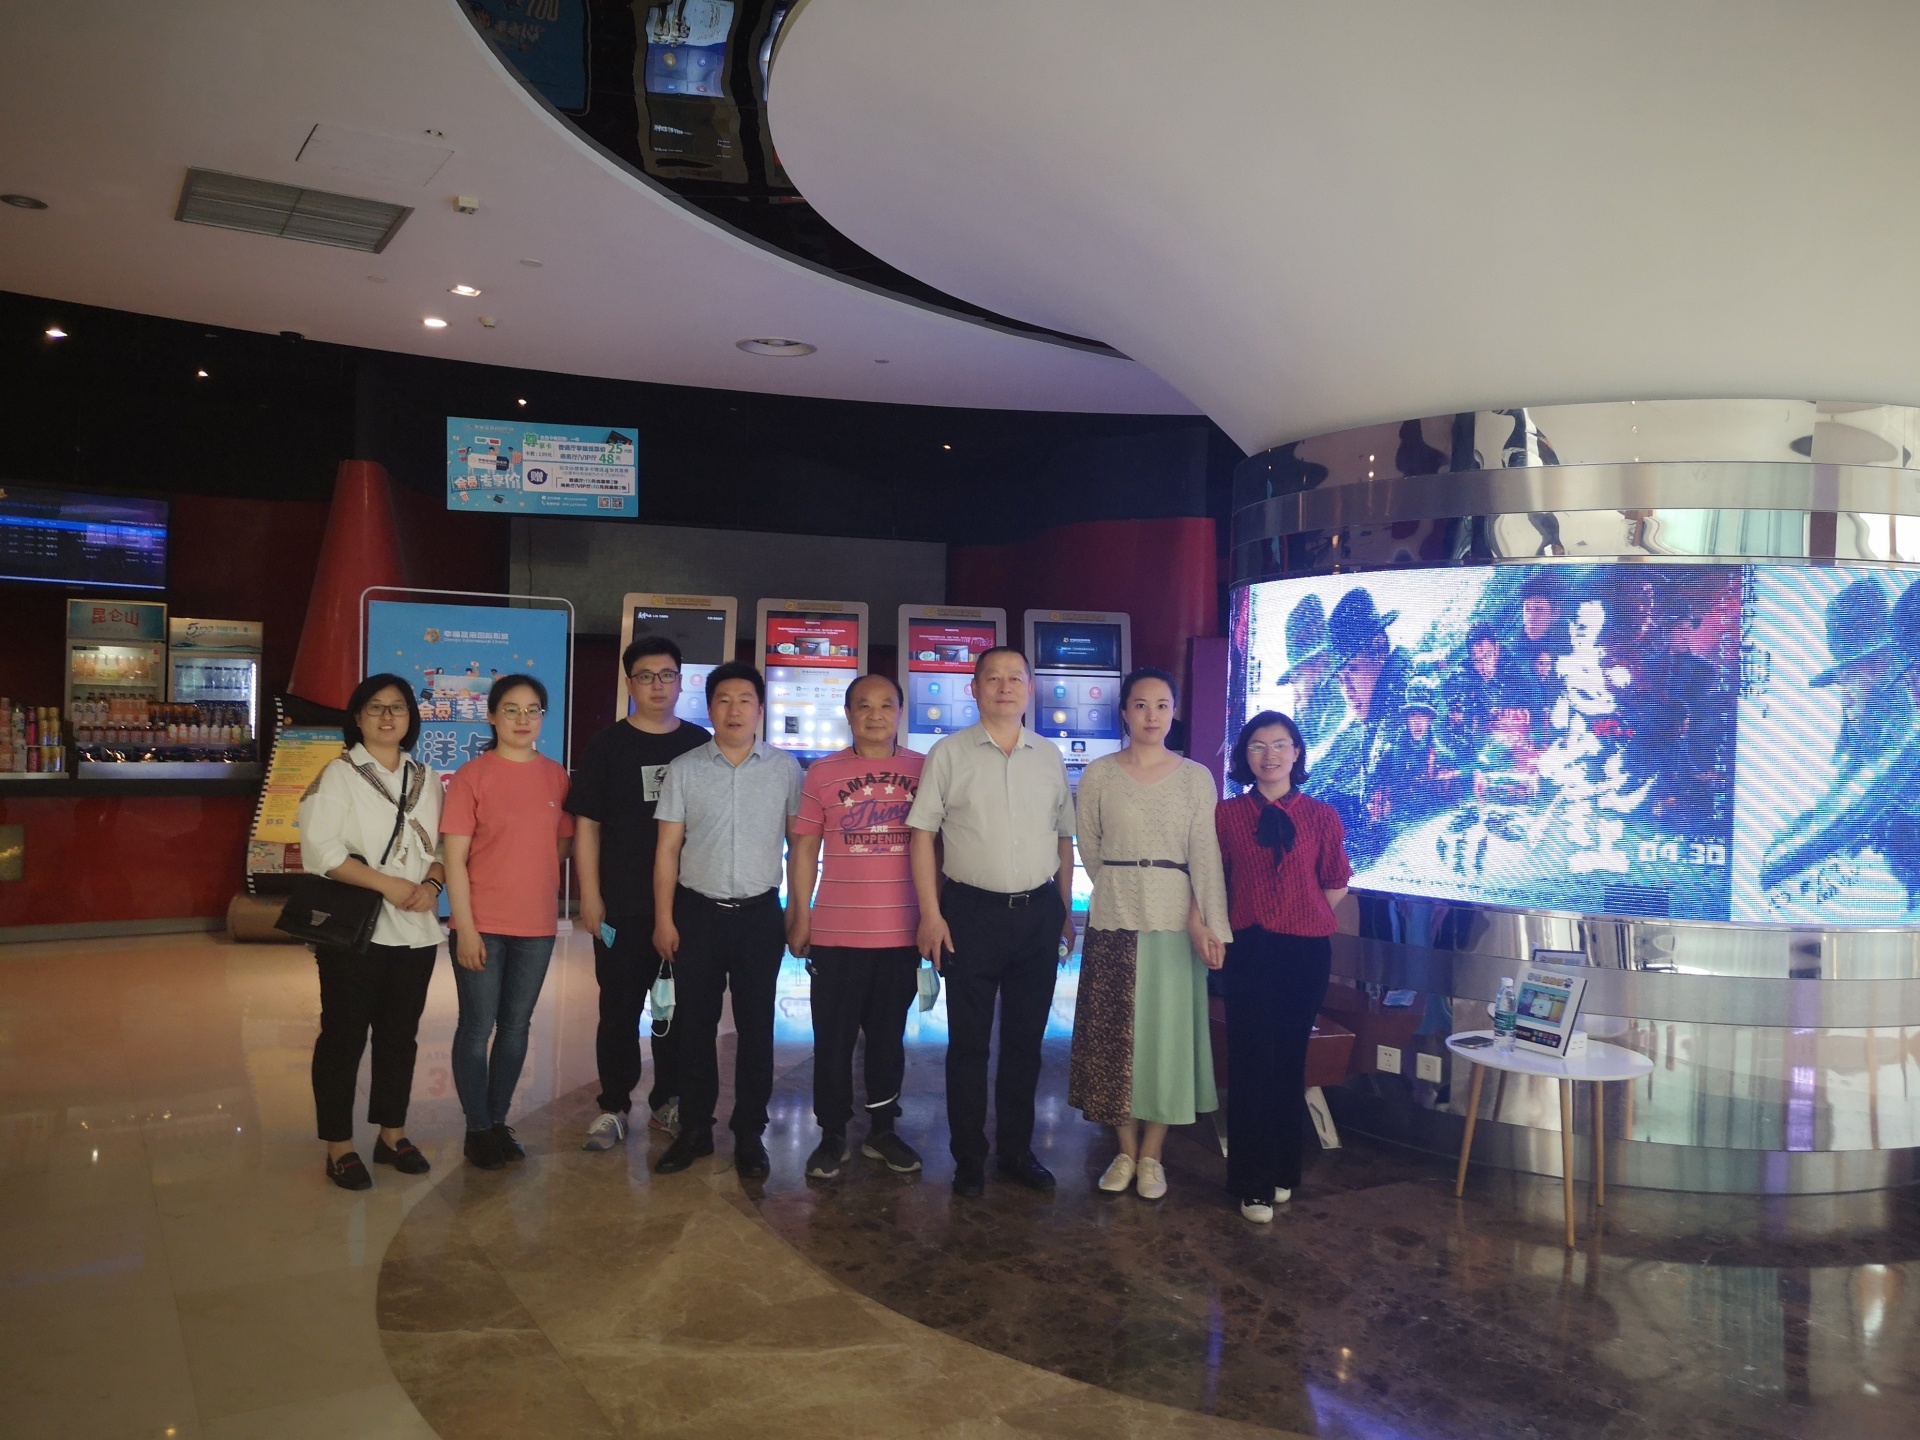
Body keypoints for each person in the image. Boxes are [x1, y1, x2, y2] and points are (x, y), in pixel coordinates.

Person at [907, 646, 1076, 1198]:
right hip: (970, 915)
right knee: (968, 1045)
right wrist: (931, 914)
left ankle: (1016, 1152)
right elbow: (922, 836)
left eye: (1015, 678)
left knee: (1026, 1043)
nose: (1005, 687)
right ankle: (968, 1158)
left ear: (1029, 688)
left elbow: (1063, 838)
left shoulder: (1048, 756)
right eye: (993, 678)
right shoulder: (949, 753)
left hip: (1038, 915)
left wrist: (1064, 911)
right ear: (974, 689)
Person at [1068, 668, 1230, 1201]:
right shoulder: (1099, 773)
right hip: (1114, 914)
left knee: (1166, 1038)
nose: (1151, 715)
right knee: (1114, 1035)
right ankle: (1124, 1150)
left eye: (1162, 705)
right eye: (1140, 705)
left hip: (1175, 920)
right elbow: (1090, 846)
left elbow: (1205, 854)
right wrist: (1121, 885)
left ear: (1174, 713)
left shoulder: (1195, 777)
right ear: (1124, 712)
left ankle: (1153, 1154)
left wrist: (1207, 922)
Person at [652, 661, 803, 1178]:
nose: (734, 710)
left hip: (760, 917)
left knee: (757, 1028)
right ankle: (695, 1128)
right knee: (695, 1027)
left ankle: (749, 1132)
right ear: (709, 706)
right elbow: (667, 850)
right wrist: (664, 918)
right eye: (723, 700)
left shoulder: (786, 769)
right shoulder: (685, 768)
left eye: (745, 700)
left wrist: (799, 913)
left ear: (760, 709)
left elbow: (799, 847)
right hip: (697, 915)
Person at [296, 674, 446, 1191]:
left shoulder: (427, 778)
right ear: (357, 718)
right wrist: (389, 885)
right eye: (375, 707)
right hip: (355, 930)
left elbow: (443, 848)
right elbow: (321, 853)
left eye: (397, 707)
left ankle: (391, 1134)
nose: (387, 716)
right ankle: (339, 1145)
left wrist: (431, 884)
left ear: (410, 718)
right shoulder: (338, 775)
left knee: (400, 1036)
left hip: (417, 930)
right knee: (343, 1036)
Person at [566, 638, 710, 1152]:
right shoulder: (607, 745)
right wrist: (590, 896)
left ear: (681, 681)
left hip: (688, 906)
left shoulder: (699, 744)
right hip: (622, 905)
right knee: (619, 1009)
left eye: (667, 675)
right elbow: (587, 827)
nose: (657, 685)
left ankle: (668, 1101)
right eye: (646, 676)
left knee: (677, 1011)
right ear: (630, 683)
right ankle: (614, 1106)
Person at [786, 674, 927, 1179]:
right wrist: (799, 914)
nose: (875, 715)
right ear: (847, 714)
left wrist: (934, 917)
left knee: (888, 1040)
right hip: (836, 934)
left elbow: (940, 847)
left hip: (901, 934)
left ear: (900, 712)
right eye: (863, 705)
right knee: (833, 1042)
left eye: (886, 705)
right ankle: (832, 1135)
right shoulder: (822, 773)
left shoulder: (925, 769)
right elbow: (804, 848)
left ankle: (883, 1132)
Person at [1215, 711, 1352, 1224]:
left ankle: (1282, 1170)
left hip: (1305, 953)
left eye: (1279, 744)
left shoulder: (1321, 816)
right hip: (1247, 949)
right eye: (1257, 745)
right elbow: (1214, 881)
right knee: (1250, 1059)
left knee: (1290, 1060)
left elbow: (1335, 882)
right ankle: (1250, 1183)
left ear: (1296, 753)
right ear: (1244, 757)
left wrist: (1299, 913)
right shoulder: (1226, 816)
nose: (1269, 754)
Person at [442, 674, 574, 1170]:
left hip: (536, 926)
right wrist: (466, 927)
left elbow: (562, 843)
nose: (523, 719)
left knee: (517, 1027)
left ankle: (498, 1121)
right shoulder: (472, 776)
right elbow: (454, 859)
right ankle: (476, 1128)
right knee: (477, 1028)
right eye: (512, 709)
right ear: (492, 716)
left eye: (532, 710)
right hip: (482, 923)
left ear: (543, 717)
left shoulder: (556, 777)